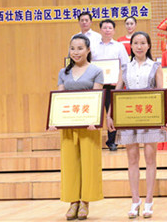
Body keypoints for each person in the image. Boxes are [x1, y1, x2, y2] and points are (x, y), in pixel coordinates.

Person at [107, 32, 167, 219]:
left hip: (150, 117)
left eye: (143, 43)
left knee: (150, 159)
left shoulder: (155, 66)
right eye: (136, 43)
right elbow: (116, 92)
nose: (139, 46)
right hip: (129, 118)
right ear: (131, 46)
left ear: (148, 46)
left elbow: (161, 92)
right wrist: (110, 116)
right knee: (132, 160)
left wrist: (164, 116)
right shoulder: (125, 67)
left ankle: (149, 200)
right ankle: (135, 201)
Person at [51, 34, 104, 220]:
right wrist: (55, 120)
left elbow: (97, 97)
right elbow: (60, 98)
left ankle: (85, 202)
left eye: (80, 48)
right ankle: (73, 202)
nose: (76, 52)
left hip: (89, 126)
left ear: (88, 50)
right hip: (69, 126)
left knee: (89, 163)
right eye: (72, 48)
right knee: (70, 164)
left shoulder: (96, 71)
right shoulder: (63, 72)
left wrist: (94, 119)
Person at [92, 18, 130, 150]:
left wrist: (118, 80)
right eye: (105, 28)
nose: (107, 30)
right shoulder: (93, 46)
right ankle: (93, 140)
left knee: (112, 112)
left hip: (113, 84)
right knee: (94, 112)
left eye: (110, 28)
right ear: (100, 30)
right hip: (97, 85)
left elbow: (125, 65)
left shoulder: (119, 46)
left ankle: (112, 141)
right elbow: (89, 65)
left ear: (114, 31)